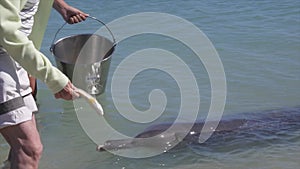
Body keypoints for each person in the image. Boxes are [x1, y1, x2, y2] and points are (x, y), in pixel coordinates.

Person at [0, 0, 88, 168]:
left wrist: (60, 5)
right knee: (28, 149)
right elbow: (6, 31)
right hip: (5, 56)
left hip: (18, 58)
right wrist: (53, 77)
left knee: (24, 149)